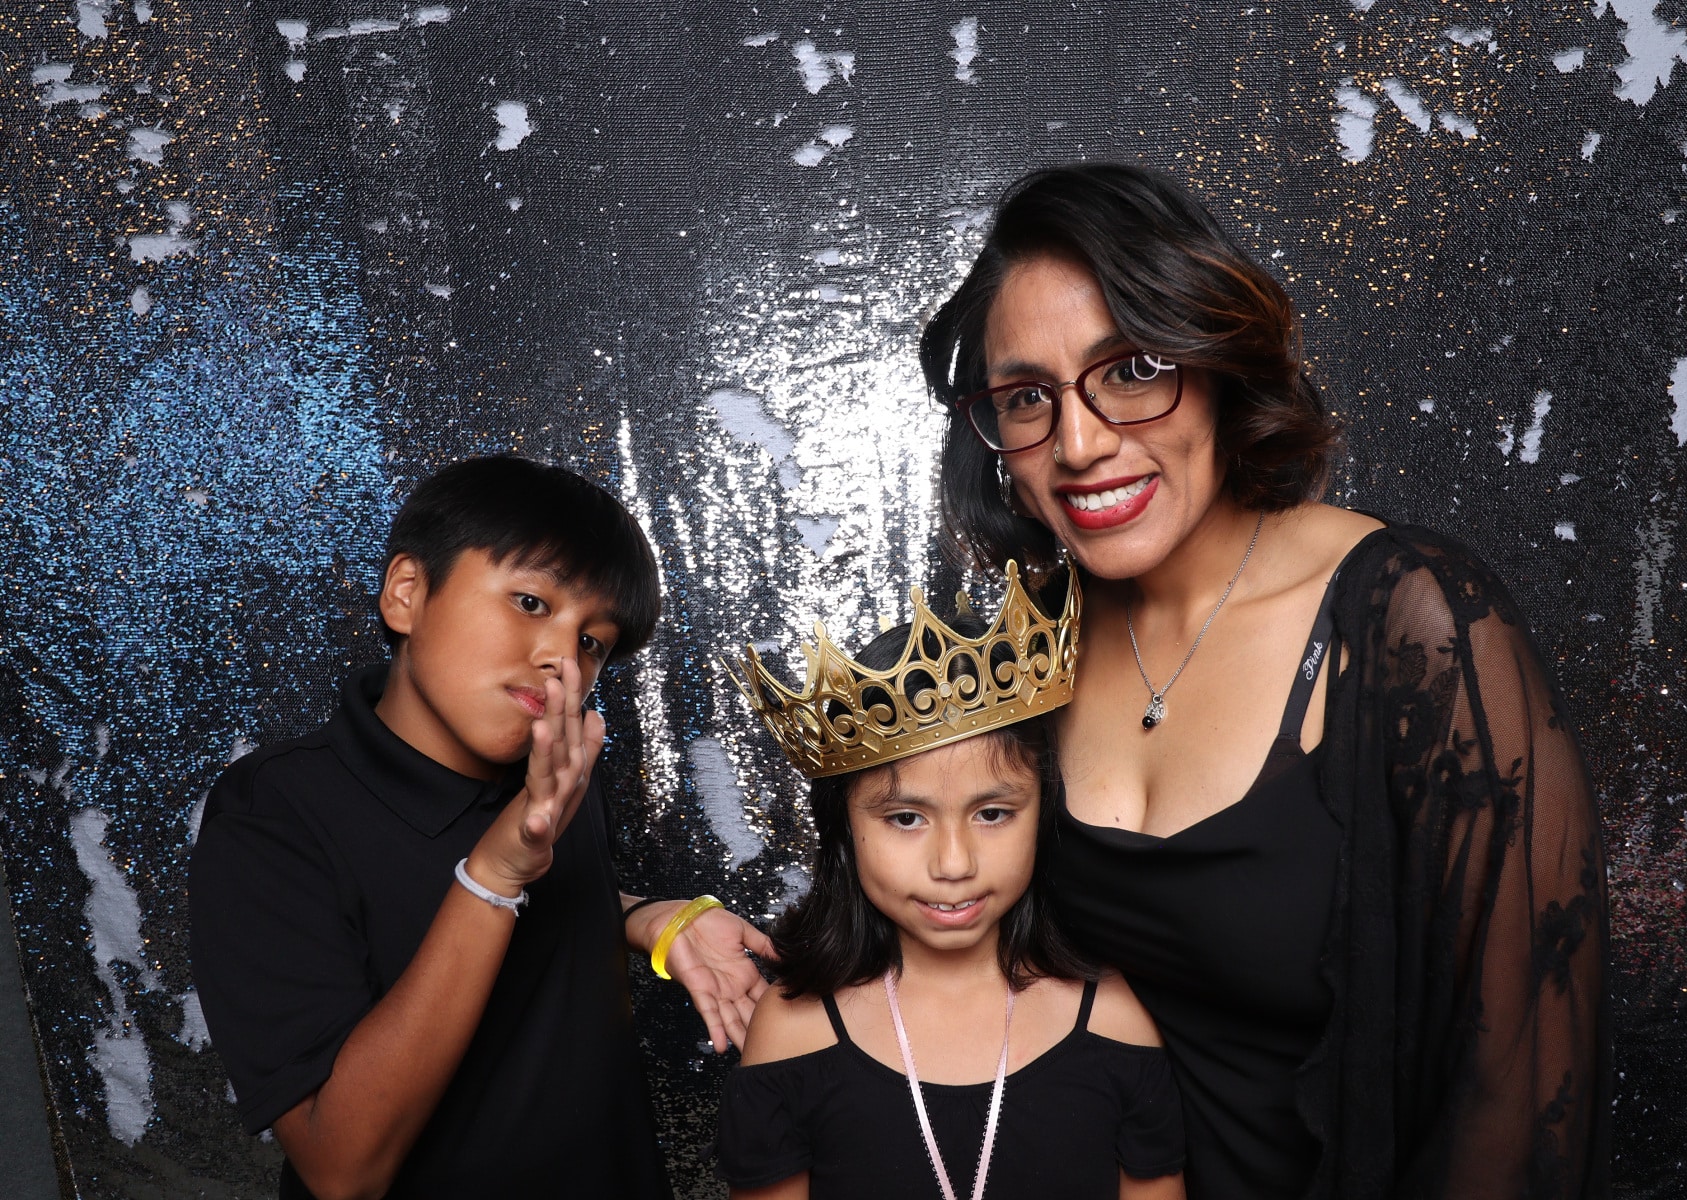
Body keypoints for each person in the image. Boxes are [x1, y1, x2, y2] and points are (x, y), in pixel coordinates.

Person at [919, 163, 1611, 1200]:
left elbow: (1517, 1086)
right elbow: (898, 924)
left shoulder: (1413, 621)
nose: (1080, 443)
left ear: (1219, 363)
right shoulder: (1026, 651)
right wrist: (669, 922)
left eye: (1132, 369)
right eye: (1027, 398)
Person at [189, 455, 775, 1200]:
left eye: (591, 642)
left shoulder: (557, 772)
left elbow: (549, 914)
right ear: (408, 593)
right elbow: (341, 1168)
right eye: (530, 602)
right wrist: (493, 877)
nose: (560, 657)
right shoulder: (274, 813)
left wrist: (651, 919)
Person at [714, 569, 1186, 1199]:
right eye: (906, 819)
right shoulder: (793, 1030)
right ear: (844, 829)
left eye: (992, 813)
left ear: (1043, 813)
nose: (954, 863)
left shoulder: (1114, 1020)